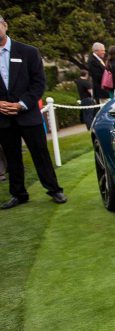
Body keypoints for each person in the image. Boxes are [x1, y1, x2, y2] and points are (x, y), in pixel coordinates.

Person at [0, 14, 67, 208]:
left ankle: (54, 190)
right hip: (3, 118)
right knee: (12, 157)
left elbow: (39, 84)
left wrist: (22, 104)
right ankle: (19, 194)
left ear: (5, 25)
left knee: (40, 154)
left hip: (28, 114)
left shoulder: (28, 52)